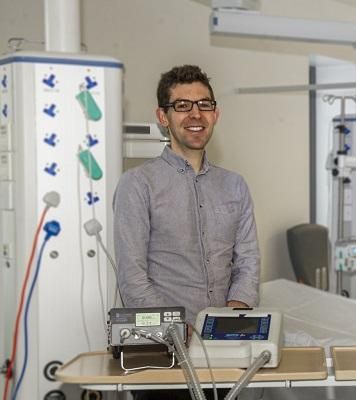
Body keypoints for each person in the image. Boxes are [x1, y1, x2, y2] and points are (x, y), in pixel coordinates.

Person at [113, 65, 261, 400]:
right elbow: (132, 278)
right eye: (182, 105)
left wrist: (230, 322)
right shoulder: (138, 185)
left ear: (215, 113)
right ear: (162, 117)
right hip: (164, 356)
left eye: (204, 104)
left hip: (227, 353)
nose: (195, 114)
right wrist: (186, 333)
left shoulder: (234, 185)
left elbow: (248, 261)